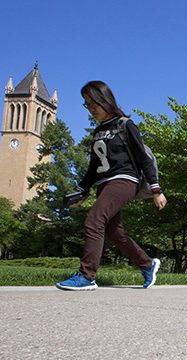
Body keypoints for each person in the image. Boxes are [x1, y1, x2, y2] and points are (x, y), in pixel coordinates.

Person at [56, 81, 167, 291]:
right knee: (115, 233)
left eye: (93, 103)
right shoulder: (98, 131)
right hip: (104, 184)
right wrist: (82, 189)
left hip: (125, 180)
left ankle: (86, 276)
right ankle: (147, 263)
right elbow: (93, 166)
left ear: (105, 99)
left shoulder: (125, 124)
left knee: (94, 219)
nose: (90, 108)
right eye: (86, 104)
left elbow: (143, 159)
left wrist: (156, 189)